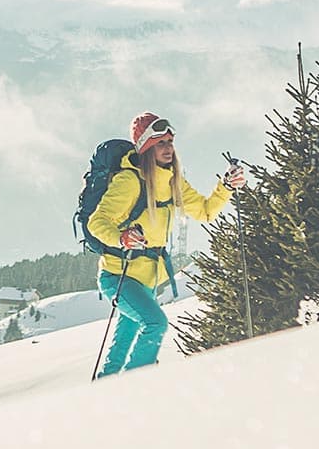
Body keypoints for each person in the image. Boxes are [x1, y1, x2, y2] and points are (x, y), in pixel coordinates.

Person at [85, 112, 244, 377]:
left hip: (147, 281)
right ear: (147, 147)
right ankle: (137, 383)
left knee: (124, 342)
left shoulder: (173, 181)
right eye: (160, 143)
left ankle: (106, 389)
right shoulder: (129, 181)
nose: (168, 148)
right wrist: (121, 238)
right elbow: (97, 222)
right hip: (118, 276)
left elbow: (205, 211)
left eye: (170, 142)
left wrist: (226, 187)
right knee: (155, 323)